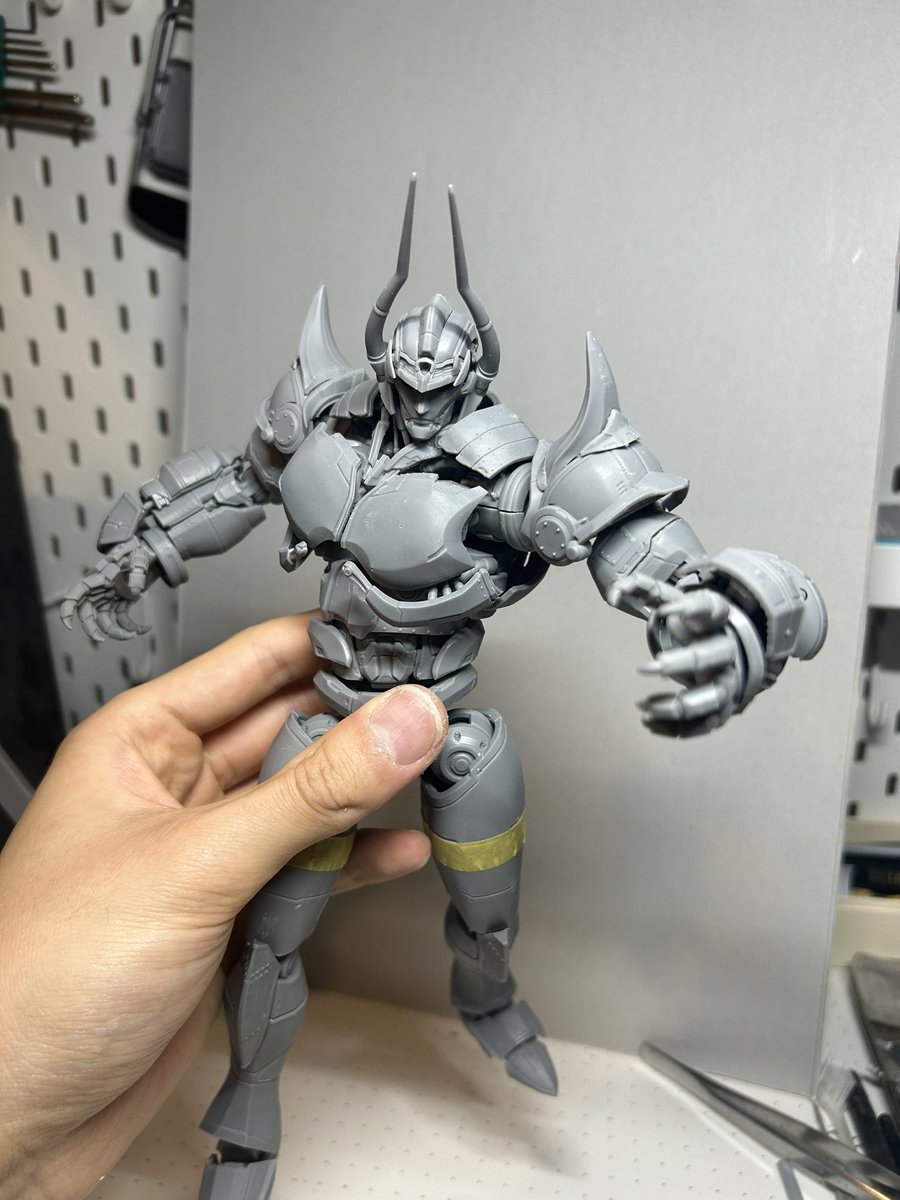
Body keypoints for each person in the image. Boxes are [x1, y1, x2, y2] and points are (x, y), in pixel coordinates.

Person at [0, 612, 447, 1200]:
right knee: (267, 949)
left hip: (432, 700)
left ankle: (491, 997)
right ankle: (247, 1130)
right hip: (332, 721)